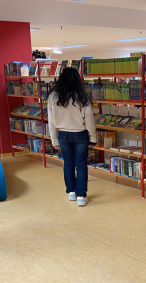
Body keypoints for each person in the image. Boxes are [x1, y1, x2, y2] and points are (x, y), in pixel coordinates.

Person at [47, 67, 97, 207]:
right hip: (80, 134)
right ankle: (81, 196)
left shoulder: (53, 97)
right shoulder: (81, 96)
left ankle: (71, 193)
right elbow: (89, 119)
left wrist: (54, 140)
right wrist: (93, 138)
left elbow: (51, 121)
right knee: (81, 165)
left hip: (62, 134)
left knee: (68, 163)